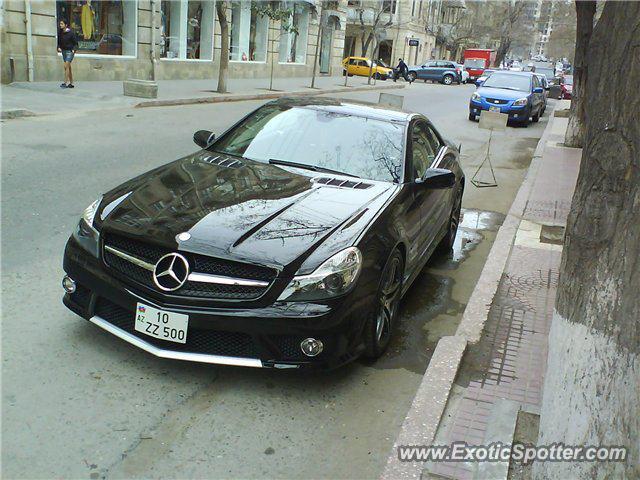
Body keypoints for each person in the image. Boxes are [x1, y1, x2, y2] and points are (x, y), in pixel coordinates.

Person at [57, 19, 78, 89]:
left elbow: (76, 43)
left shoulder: (71, 33)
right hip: (64, 51)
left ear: (66, 25)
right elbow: (59, 42)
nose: (60, 25)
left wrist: (74, 50)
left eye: (62, 24)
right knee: (68, 67)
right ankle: (71, 83)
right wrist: (59, 47)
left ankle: (65, 83)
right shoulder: (60, 32)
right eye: (60, 24)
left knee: (66, 66)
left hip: (70, 51)